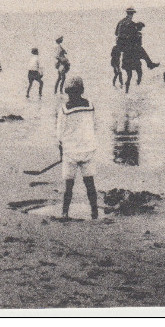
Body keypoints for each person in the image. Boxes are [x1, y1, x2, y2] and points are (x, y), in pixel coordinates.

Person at [56, 76, 99, 220]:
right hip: (88, 149)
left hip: (71, 152)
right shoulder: (90, 105)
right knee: (90, 183)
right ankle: (94, 212)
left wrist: (61, 149)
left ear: (68, 92)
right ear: (82, 91)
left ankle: (64, 212)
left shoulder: (64, 109)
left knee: (69, 185)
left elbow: (59, 134)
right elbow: (94, 126)